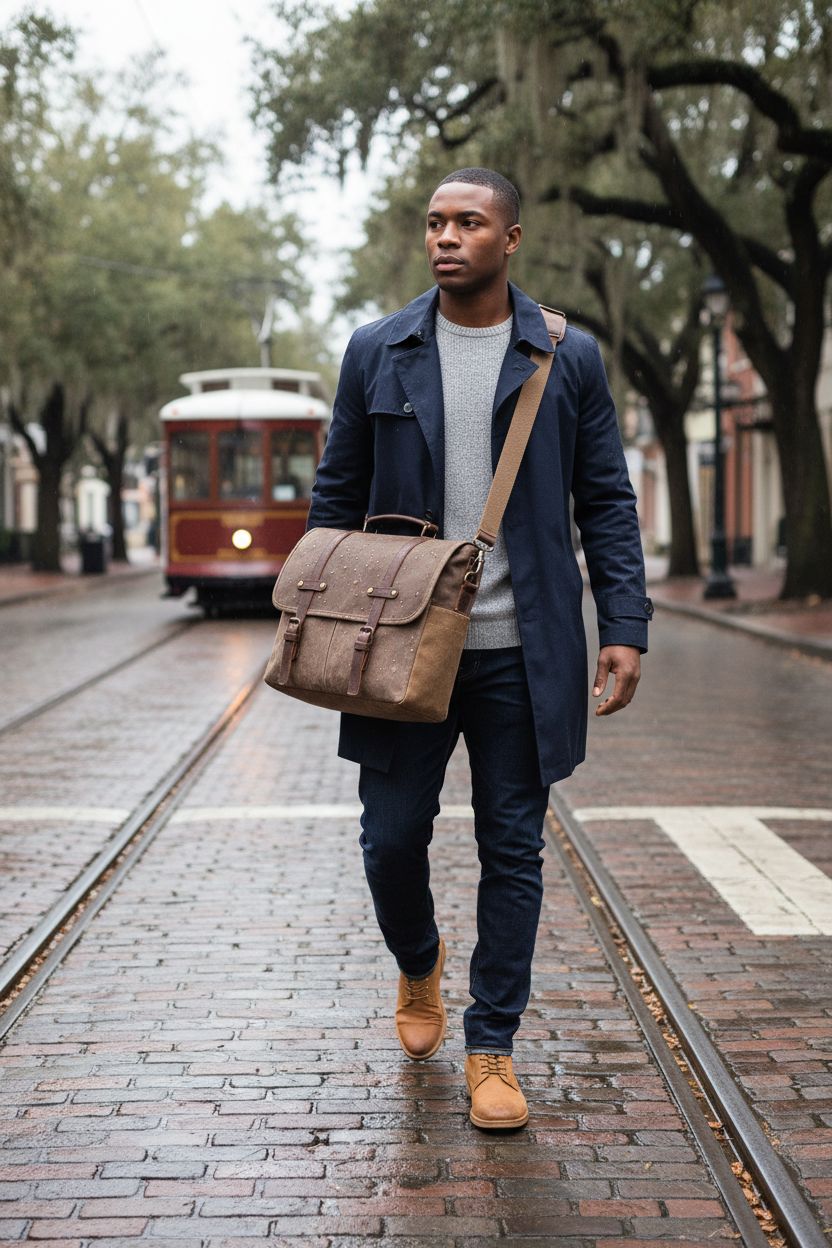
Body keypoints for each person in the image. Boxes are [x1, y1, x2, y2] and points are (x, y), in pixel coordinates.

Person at [306, 167, 653, 1130]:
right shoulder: (379, 349)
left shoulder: (565, 355)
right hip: (400, 649)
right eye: (434, 222)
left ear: (511, 238)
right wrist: (321, 612)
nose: (446, 237)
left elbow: (607, 501)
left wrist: (625, 625)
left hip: (519, 649)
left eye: (469, 222)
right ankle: (418, 961)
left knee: (513, 849)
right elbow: (335, 498)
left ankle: (491, 1044)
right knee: (388, 841)